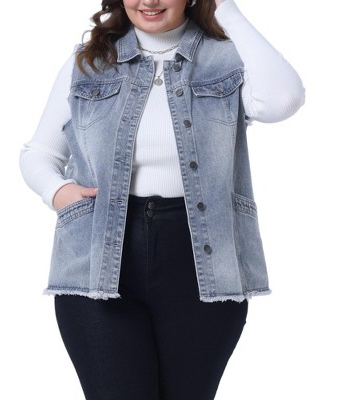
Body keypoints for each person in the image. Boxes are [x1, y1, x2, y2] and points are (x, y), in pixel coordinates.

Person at [20, 0, 305, 398]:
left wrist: (226, 10)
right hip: (98, 263)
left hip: (204, 264)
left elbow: (283, 99)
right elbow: (39, 153)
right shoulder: (90, 61)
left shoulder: (226, 59)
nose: (149, 2)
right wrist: (59, 193)